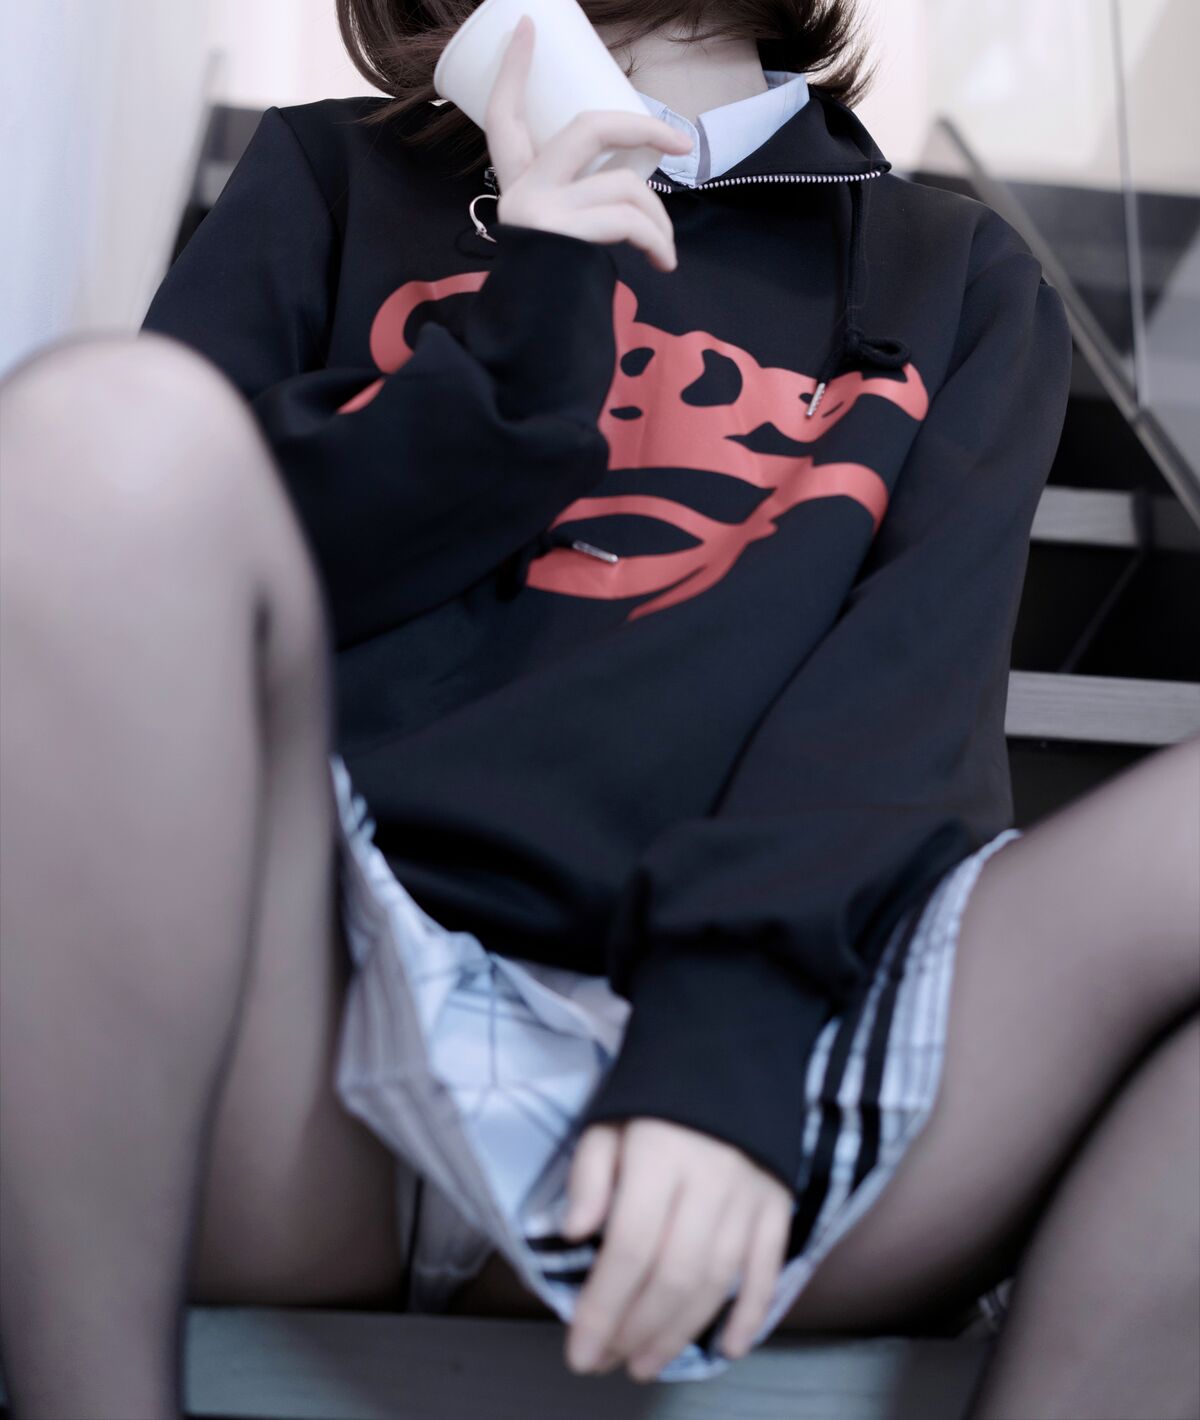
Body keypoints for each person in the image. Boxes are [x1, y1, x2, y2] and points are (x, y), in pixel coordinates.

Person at [1, 0, 1197, 1414]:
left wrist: (724, 1050)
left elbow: (900, 711)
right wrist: (538, 301)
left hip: (756, 1065)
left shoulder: (956, 271)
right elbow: (178, 604)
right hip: (308, 1034)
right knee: (100, 436)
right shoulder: (330, 176)